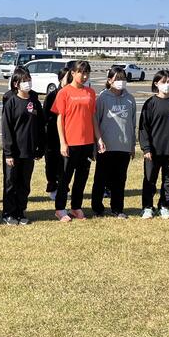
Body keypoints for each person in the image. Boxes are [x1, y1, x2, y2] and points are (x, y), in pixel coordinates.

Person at [51, 61, 105, 222]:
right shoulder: (64, 92)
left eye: (87, 72)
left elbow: (93, 117)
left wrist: (99, 138)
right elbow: (60, 119)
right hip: (70, 142)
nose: (85, 76)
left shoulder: (90, 92)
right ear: (73, 73)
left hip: (87, 143)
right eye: (81, 72)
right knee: (65, 177)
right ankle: (60, 209)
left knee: (82, 177)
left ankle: (76, 207)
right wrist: (63, 142)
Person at [138, 70, 169, 220]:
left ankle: (165, 207)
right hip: (154, 151)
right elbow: (143, 128)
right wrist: (146, 148)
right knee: (150, 180)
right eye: (164, 82)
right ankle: (147, 207)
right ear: (156, 84)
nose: (167, 85)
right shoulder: (150, 104)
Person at [91, 66, 137, 218]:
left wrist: (132, 145)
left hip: (123, 146)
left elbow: (132, 123)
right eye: (117, 79)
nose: (120, 81)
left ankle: (117, 208)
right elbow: (96, 121)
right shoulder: (102, 98)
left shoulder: (130, 99)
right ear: (109, 80)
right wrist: (98, 142)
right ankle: (97, 208)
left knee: (120, 179)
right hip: (106, 146)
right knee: (101, 178)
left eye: (123, 78)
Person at [1, 67, 45, 225]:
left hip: (29, 151)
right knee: (11, 183)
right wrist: (8, 153)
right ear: (16, 84)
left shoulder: (34, 102)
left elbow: (41, 126)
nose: (28, 83)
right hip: (14, 152)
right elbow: (6, 129)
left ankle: (20, 211)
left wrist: (40, 147)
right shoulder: (11, 102)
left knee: (24, 184)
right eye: (24, 81)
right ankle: (8, 213)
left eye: (29, 80)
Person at [42, 67, 71, 200]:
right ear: (60, 79)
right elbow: (45, 117)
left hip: (69, 134)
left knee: (66, 163)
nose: (69, 80)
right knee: (52, 163)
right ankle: (52, 187)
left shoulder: (72, 94)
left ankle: (64, 188)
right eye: (67, 78)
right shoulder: (52, 95)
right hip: (53, 136)